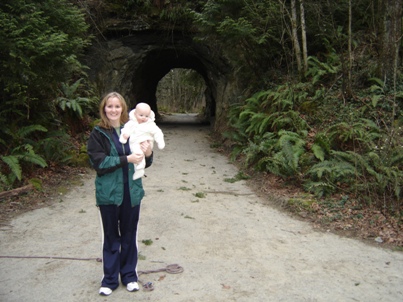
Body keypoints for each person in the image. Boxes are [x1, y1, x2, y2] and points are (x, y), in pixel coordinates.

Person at [87, 92, 153, 296]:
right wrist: (127, 159)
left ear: (123, 109)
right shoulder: (98, 133)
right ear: (104, 109)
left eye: (117, 106)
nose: (113, 110)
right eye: (109, 106)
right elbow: (98, 163)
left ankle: (129, 276)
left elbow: (145, 161)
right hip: (108, 193)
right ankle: (109, 279)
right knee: (110, 237)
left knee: (129, 235)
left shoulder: (133, 128)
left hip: (131, 192)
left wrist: (148, 153)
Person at [119, 102, 165, 180]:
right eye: (141, 115)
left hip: (145, 141)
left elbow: (157, 132)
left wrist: (160, 141)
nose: (144, 118)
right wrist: (124, 136)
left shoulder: (150, 124)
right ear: (135, 114)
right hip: (134, 142)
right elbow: (125, 129)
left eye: (146, 116)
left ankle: (140, 167)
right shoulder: (131, 123)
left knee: (140, 153)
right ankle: (139, 169)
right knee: (136, 152)